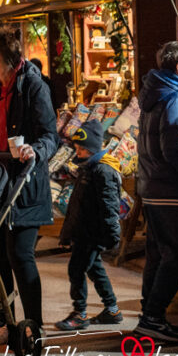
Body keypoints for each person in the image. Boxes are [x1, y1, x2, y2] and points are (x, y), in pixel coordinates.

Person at [0, 25, 59, 327]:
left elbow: (50, 135)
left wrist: (35, 150)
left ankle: (33, 327)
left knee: (20, 255)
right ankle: (5, 324)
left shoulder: (33, 85)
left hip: (26, 183)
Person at [134, 41, 178, 343]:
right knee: (175, 256)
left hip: (152, 186)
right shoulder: (174, 97)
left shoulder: (155, 93)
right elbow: (175, 148)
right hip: (170, 189)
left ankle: (150, 316)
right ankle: (153, 317)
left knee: (158, 255)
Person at [53, 120, 123, 331]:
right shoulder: (88, 168)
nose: (78, 153)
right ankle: (112, 310)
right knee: (95, 269)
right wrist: (67, 234)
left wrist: (112, 236)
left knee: (76, 269)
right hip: (84, 231)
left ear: (93, 148)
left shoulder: (103, 171)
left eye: (82, 149)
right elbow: (76, 206)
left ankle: (80, 313)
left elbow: (109, 208)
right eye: (77, 148)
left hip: (93, 233)